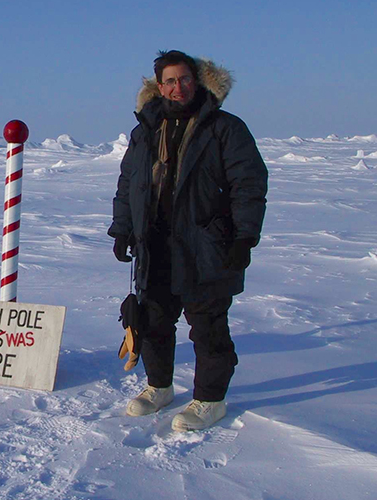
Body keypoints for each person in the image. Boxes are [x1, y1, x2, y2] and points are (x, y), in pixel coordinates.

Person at [108, 50, 267, 431]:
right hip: (155, 243)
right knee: (154, 321)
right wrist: (122, 228)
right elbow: (129, 182)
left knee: (208, 325)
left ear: (196, 81)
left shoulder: (225, 128)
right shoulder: (145, 129)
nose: (177, 87)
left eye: (183, 79)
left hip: (206, 244)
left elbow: (249, 184)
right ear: (158, 86)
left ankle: (210, 400)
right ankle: (158, 386)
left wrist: (244, 237)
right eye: (169, 81)